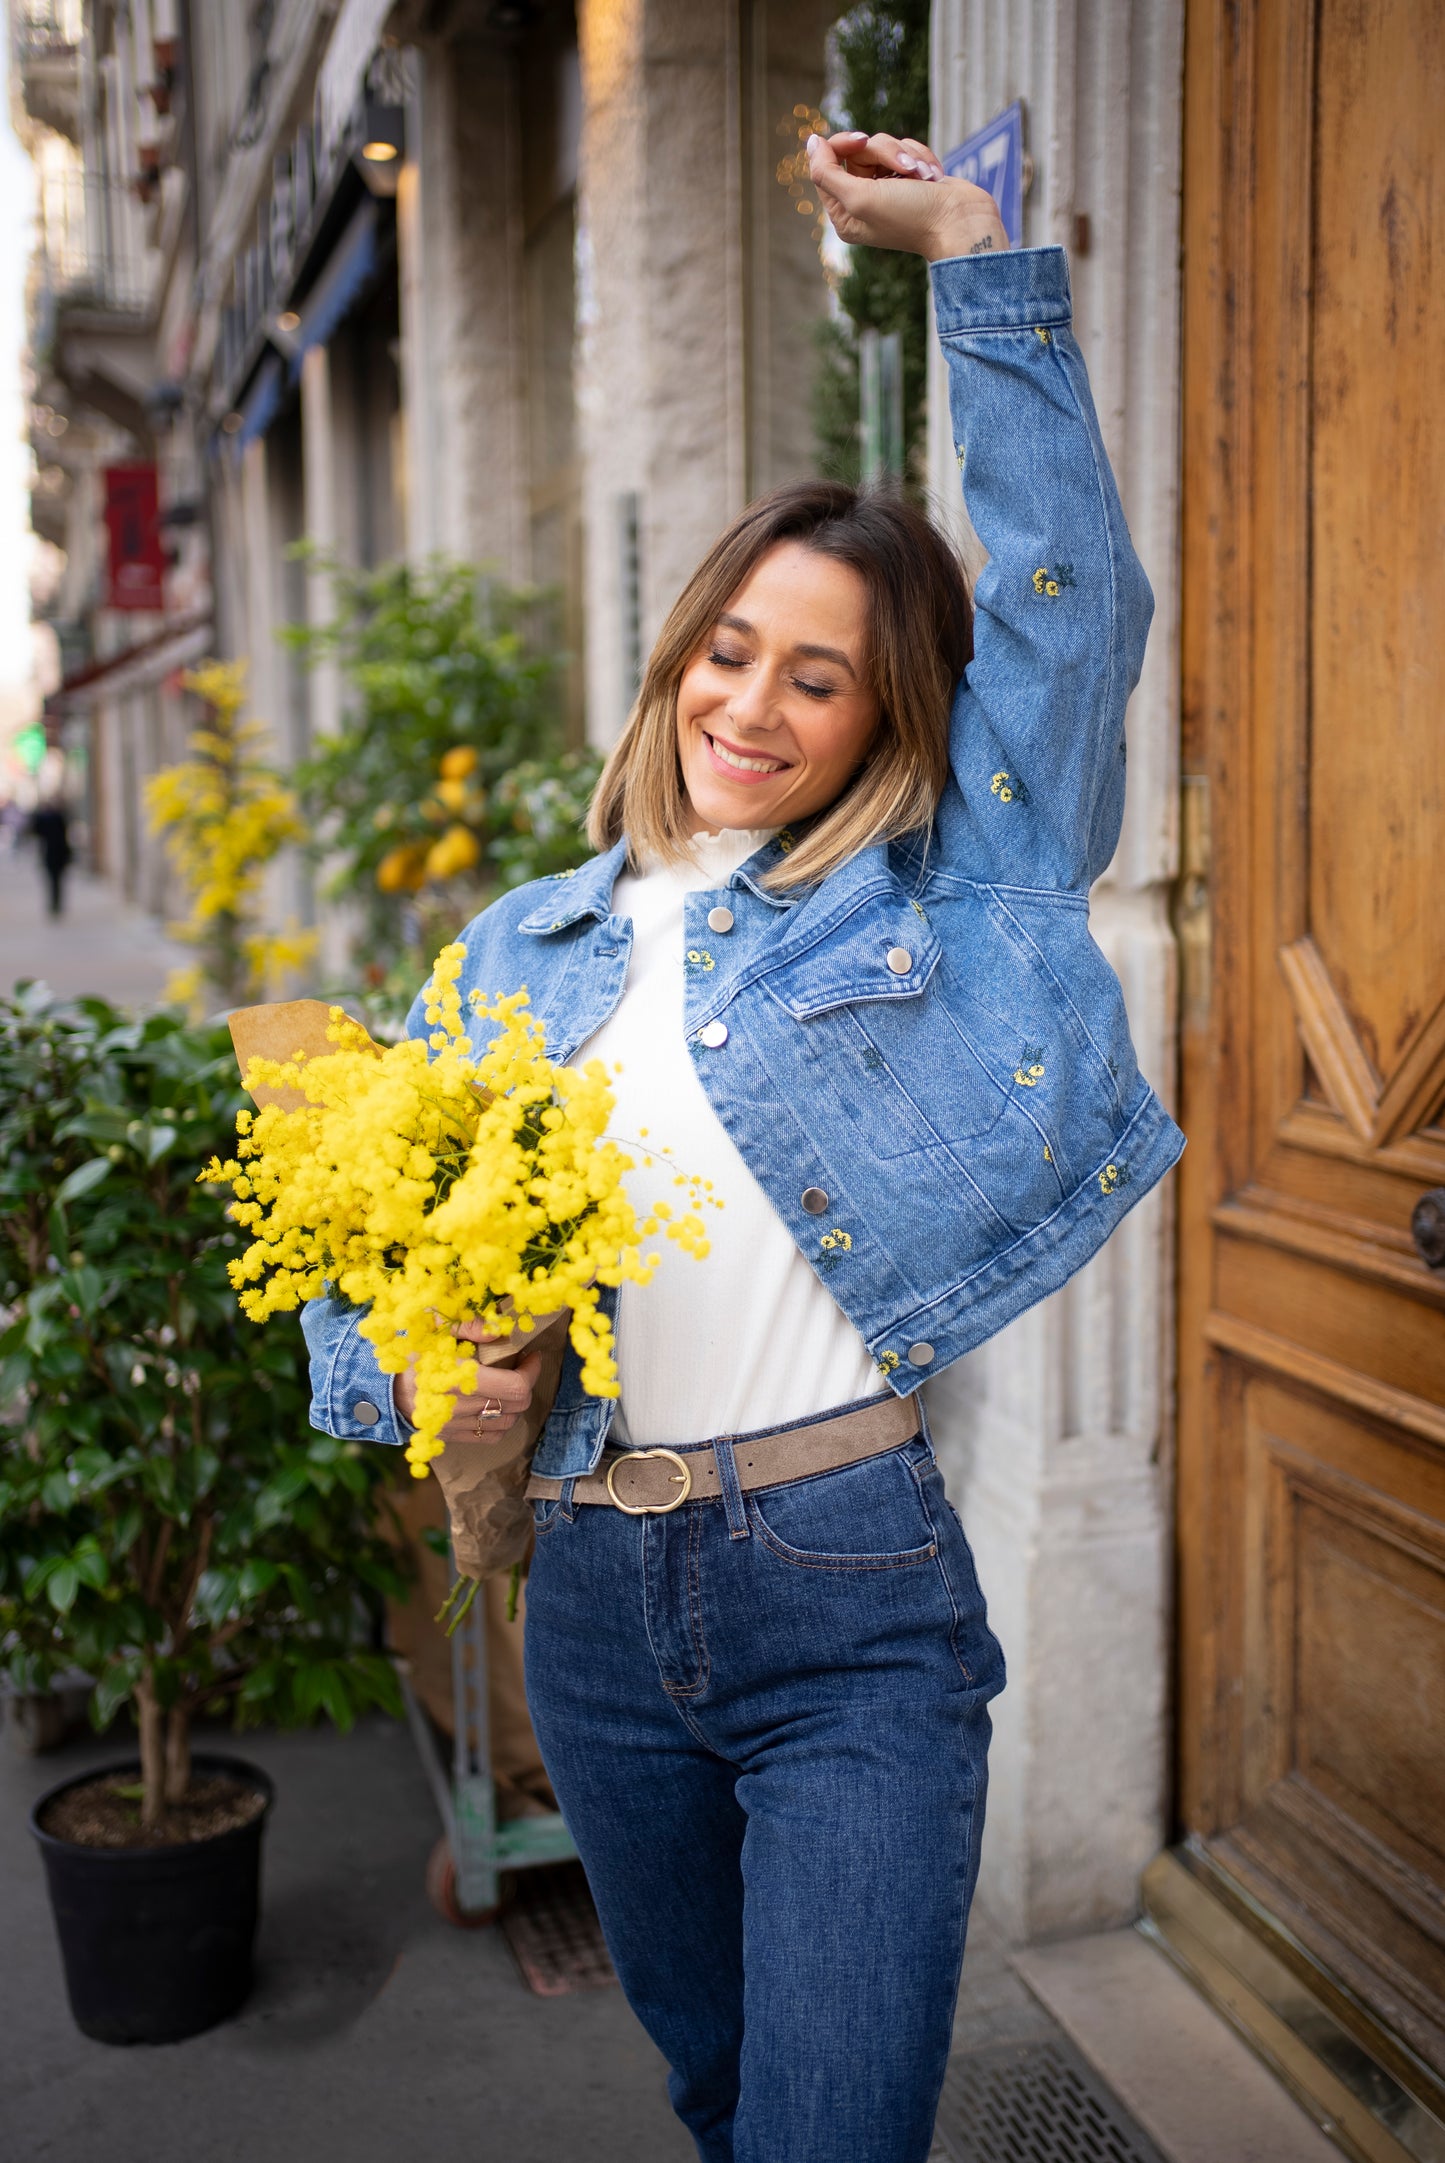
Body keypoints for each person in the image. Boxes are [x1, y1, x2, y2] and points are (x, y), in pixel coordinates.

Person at [303, 129, 1184, 2163]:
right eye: (731, 649)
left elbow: (1069, 606)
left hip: (844, 1585)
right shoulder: (514, 946)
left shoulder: (944, 888)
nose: (755, 703)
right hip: (595, 1605)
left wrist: (974, 258)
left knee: (830, 2131)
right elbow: (376, 1280)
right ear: (674, 649)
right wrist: (436, 1367)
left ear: (885, 717)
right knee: (716, 2094)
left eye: (822, 675)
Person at [27, 797, 72, 917]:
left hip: (52, 854)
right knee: (56, 881)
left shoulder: (48, 818)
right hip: (57, 853)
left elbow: (35, 830)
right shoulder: (58, 817)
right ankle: (56, 904)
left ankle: (54, 904)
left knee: (53, 880)